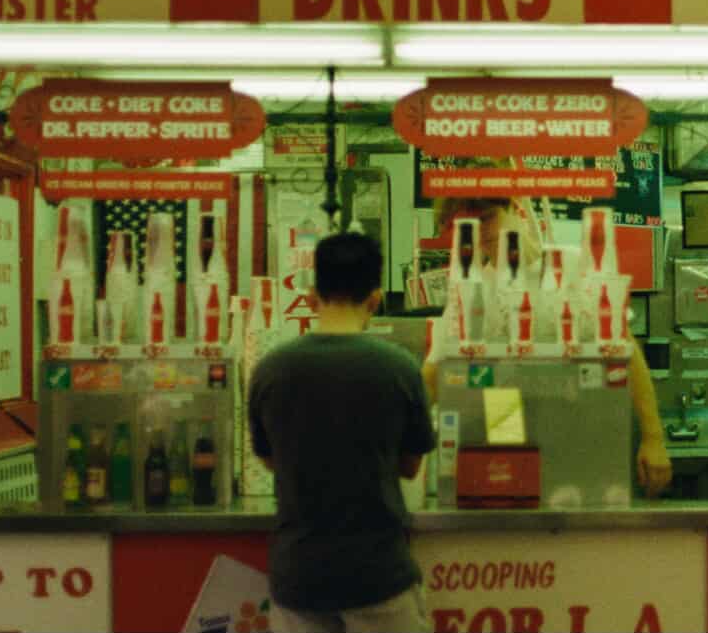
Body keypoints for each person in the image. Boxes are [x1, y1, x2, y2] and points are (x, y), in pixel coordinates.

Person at [424, 195, 673, 498]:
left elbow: (626, 349)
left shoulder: (572, 266)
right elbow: (434, 373)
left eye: (487, 219)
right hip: (510, 433)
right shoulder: (474, 290)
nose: (480, 234)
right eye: (468, 227)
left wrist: (654, 437)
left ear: (516, 211)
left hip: (586, 427)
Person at [249, 232, 435, 633]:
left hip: (298, 578)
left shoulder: (270, 370)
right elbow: (410, 466)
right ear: (375, 299)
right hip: (378, 575)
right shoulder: (400, 369)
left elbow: (269, 459)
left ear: (312, 295)